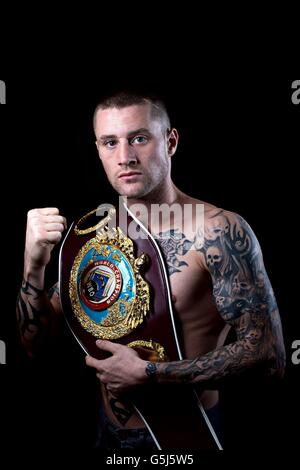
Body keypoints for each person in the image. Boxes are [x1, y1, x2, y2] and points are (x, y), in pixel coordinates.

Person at [17, 91, 286, 450]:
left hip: (186, 438)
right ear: (97, 149)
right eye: (110, 142)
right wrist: (33, 267)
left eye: (139, 138)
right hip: (107, 436)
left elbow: (268, 357)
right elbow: (36, 345)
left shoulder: (217, 231)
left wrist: (151, 375)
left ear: (170, 142)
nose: (125, 157)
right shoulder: (91, 237)